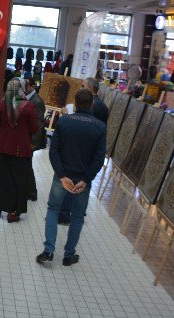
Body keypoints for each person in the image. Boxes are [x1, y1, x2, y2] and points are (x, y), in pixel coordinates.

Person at [36, 88, 106, 267]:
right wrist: (86, 179)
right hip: (83, 180)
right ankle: (69, 255)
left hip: (62, 177)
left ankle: (49, 251)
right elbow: (99, 158)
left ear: (75, 104)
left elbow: (54, 151)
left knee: (53, 210)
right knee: (77, 217)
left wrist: (61, 175)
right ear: (91, 105)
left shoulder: (64, 121)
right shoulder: (99, 127)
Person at [58, 77, 108, 225]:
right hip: (90, 151)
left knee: (73, 180)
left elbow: (83, 125)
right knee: (84, 181)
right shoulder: (103, 106)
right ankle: (78, 211)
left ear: (90, 88)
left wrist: (67, 117)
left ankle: (67, 214)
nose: (80, 88)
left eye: (82, 86)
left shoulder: (94, 106)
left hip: (81, 149)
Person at [0, 78, 38, 223]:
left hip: (1, 146)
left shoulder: (3, 103)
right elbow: (34, 128)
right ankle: (13, 212)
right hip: (20, 149)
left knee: (0, 178)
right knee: (18, 181)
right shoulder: (28, 106)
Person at [25, 77, 46, 201]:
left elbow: (39, 124)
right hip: (27, 138)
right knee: (26, 165)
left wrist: (33, 143)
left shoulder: (37, 101)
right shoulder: (28, 98)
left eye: (26, 85)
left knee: (27, 165)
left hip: (31, 140)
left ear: (32, 86)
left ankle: (32, 193)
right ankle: (29, 191)